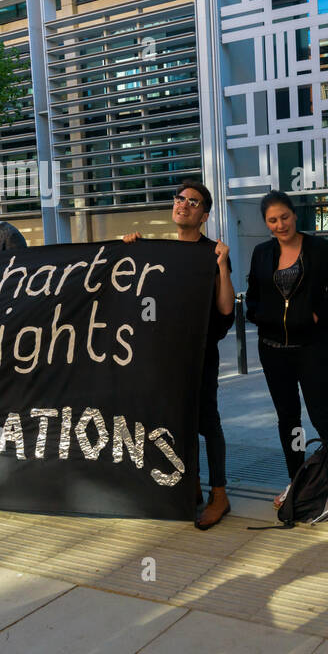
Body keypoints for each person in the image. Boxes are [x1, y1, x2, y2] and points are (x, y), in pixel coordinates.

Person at [123, 180, 235, 529]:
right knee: (175, 420)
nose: (184, 205)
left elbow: (226, 308)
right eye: (180, 199)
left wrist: (222, 265)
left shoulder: (211, 252)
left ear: (204, 215)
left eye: (194, 202)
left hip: (200, 354)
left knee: (207, 421)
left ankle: (219, 493)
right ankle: (190, 487)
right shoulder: (161, 253)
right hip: (167, 355)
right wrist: (131, 251)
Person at [244, 191, 328, 507]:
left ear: (294, 215)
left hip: (311, 347)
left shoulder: (318, 249)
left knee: (322, 415)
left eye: (284, 217)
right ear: (266, 223)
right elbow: (252, 296)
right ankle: (298, 482)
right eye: (272, 220)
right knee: (288, 419)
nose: (280, 225)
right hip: (273, 349)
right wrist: (260, 316)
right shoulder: (262, 253)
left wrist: (316, 316)